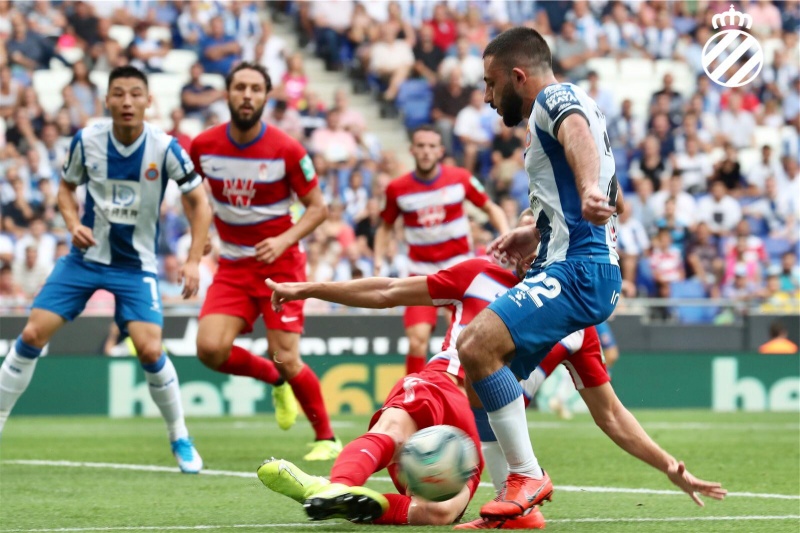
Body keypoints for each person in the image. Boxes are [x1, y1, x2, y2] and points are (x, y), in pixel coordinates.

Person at [264, 254, 726, 528]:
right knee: (395, 428)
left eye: (538, 233)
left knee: (443, 512)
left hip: (477, 425)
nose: (525, 245)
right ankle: (336, 486)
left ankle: (348, 499)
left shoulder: (577, 330)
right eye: (525, 228)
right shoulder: (479, 275)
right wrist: (311, 289)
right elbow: (388, 290)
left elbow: (611, 414)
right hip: (442, 381)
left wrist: (669, 465)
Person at [0, 65, 211, 474]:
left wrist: (192, 259)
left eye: (135, 93)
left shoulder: (166, 148)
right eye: (119, 93)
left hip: (136, 266)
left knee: (150, 350)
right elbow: (65, 189)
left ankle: (179, 436)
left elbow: (198, 203)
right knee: (31, 334)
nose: (127, 101)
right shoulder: (87, 141)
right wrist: (71, 223)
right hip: (85, 259)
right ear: (107, 100)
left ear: (148, 100)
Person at [456, 27, 622, 520]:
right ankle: (516, 509)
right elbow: (596, 188)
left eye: (491, 84)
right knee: (479, 376)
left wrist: (588, 189)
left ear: (518, 76)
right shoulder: (572, 105)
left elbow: (576, 135)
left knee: (474, 344)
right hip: (568, 261)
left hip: (579, 269)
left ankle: (527, 476)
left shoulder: (554, 98)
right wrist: (535, 231)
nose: (488, 97)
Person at [191, 62, 341, 461]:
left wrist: (283, 239)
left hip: (281, 266)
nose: (247, 95)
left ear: (265, 97)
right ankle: (274, 379)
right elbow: (190, 194)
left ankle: (327, 438)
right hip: (233, 266)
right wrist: (199, 235)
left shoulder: (287, 149)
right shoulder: (203, 145)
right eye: (239, 87)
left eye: (255, 89)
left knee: (287, 356)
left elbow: (318, 208)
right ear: (227, 93)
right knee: (209, 349)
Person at [373, 125, 509, 376]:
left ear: (440, 151)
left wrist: (505, 235)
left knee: (466, 342)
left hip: (460, 274)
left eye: (431, 146)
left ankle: (465, 392)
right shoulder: (397, 189)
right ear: (412, 150)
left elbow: (492, 208)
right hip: (421, 274)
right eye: (421, 146)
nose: (426, 151)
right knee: (416, 340)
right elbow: (385, 227)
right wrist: (378, 259)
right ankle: (413, 390)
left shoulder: (460, 178)